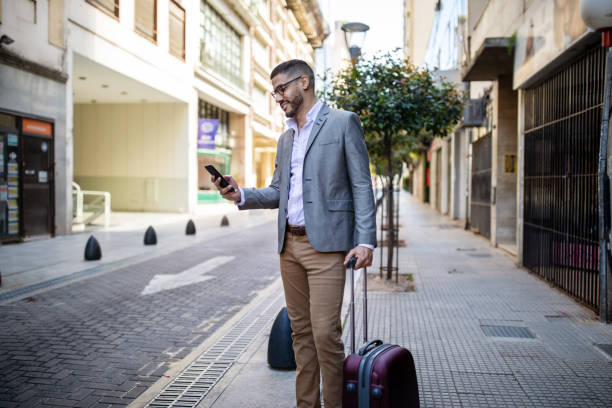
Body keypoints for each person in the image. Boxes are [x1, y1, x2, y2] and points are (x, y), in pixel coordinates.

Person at [213, 59, 376, 408]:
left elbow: (362, 185)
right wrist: (240, 194)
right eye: (274, 93)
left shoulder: (342, 123)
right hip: (289, 246)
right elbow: (277, 191)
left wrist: (365, 241)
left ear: (303, 82)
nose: (278, 97)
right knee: (301, 337)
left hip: (328, 249)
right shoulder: (285, 139)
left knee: (325, 336)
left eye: (281, 89)